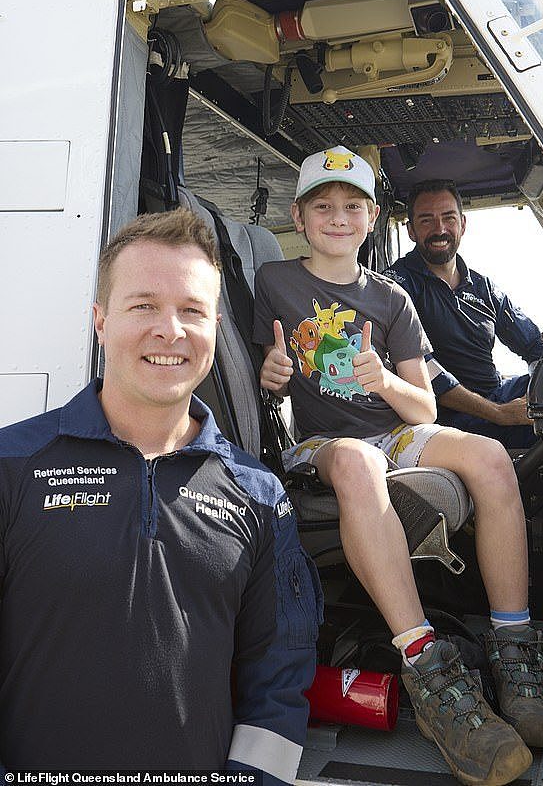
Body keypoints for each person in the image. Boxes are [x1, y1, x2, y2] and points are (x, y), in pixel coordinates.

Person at [254, 147, 543, 786]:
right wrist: (273, 374)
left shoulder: (391, 297)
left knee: (490, 457)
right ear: (299, 216)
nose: (337, 219)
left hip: (394, 432)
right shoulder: (276, 283)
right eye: (323, 207)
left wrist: (384, 381)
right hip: (321, 444)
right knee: (360, 460)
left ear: (371, 219)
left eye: (351, 208)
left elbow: (422, 405)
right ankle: (427, 668)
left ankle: (513, 650)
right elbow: (272, 382)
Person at [0, 209, 320, 781]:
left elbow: (279, 674)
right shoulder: (11, 467)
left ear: (214, 327)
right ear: (101, 320)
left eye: (192, 311)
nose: (169, 330)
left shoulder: (260, 495)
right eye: (143, 305)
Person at [386, 180, 543, 448]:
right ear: (411, 230)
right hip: (450, 420)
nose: (440, 229)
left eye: (448, 218)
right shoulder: (396, 286)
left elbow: (533, 346)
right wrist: (500, 413)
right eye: (426, 221)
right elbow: (424, 370)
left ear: (463, 224)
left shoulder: (484, 288)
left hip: (497, 398)